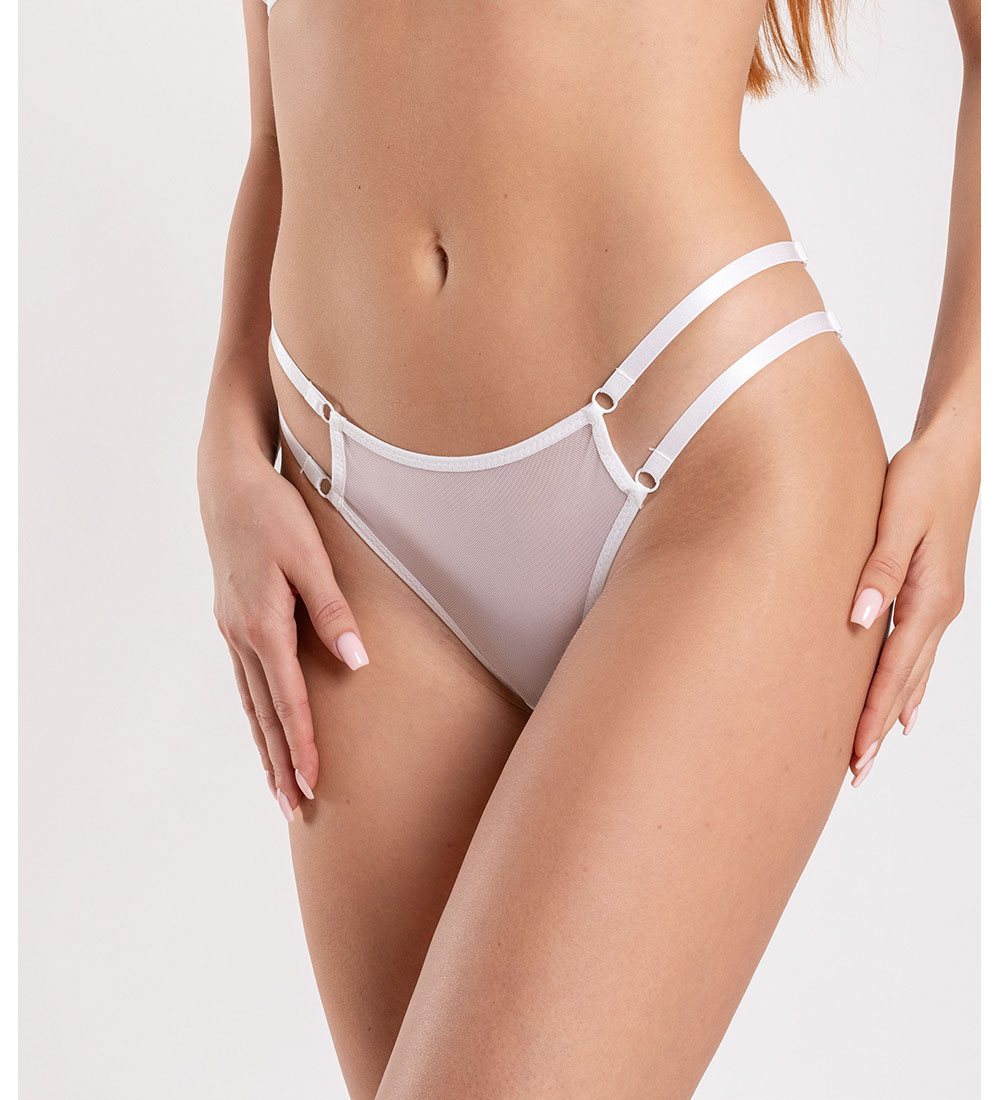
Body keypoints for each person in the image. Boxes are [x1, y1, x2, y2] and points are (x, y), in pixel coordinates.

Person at [197, 1, 980, 1095]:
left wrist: (962, 421)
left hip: (704, 462)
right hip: (353, 532)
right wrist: (227, 437)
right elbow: (275, 132)